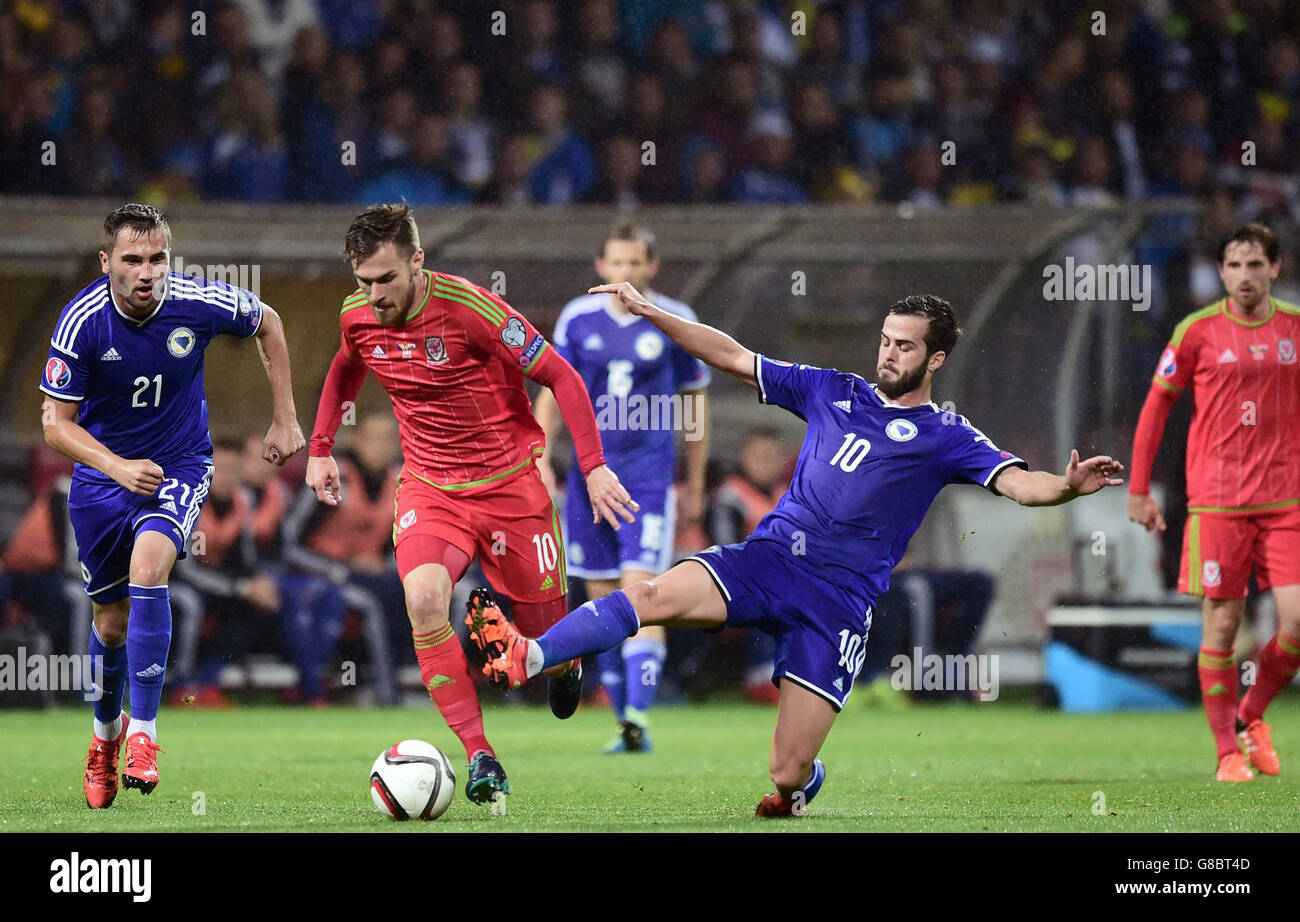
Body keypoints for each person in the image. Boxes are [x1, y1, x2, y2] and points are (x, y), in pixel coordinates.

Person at [469, 283, 1125, 816]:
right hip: (770, 560)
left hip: (838, 603)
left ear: (936, 360)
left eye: (905, 346)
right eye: (887, 340)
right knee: (649, 594)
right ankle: (532, 654)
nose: (890, 353)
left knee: (784, 774)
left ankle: (799, 786)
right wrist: (651, 312)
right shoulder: (832, 390)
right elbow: (731, 356)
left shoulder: (946, 436)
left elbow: (1021, 486)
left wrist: (1067, 486)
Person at [305, 203, 636, 805]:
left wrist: (593, 468)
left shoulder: (472, 311)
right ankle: (481, 754)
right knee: (423, 600)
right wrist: (321, 447)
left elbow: (562, 377)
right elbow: (346, 366)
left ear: (418, 261)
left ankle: (561, 665)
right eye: (364, 281)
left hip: (512, 486)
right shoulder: (358, 316)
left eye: (387, 279)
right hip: (431, 488)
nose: (375, 295)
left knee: (547, 639)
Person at [40, 203, 305, 808]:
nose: (146, 271)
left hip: (179, 465)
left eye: (156, 258)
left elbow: (269, 320)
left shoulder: (196, 303)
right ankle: (104, 736)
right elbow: (56, 425)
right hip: (105, 480)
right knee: (109, 625)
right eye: (131, 260)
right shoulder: (83, 321)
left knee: (151, 566)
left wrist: (285, 418)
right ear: (107, 262)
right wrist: (115, 466)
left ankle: (144, 733)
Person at [1128, 223, 1300, 782]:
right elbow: (1157, 408)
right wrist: (1138, 489)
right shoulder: (1197, 331)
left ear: (1276, 268)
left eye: (1255, 265)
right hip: (1217, 503)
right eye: (1234, 265)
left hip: (1286, 499)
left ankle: (1251, 717)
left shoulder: (1295, 329)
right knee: (1222, 629)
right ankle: (1228, 752)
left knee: (1298, 623)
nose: (1245, 276)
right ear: (1221, 271)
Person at [534, 222, 710, 753]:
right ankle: (621, 721)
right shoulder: (577, 317)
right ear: (601, 266)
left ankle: (638, 715)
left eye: (636, 263)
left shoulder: (674, 319)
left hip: (647, 481)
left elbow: (694, 401)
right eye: (617, 263)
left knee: (643, 593)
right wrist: (539, 455)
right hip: (588, 477)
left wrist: (695, 478)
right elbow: (553, 386)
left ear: (651, 268)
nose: (625, 272)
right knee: (599, 595)